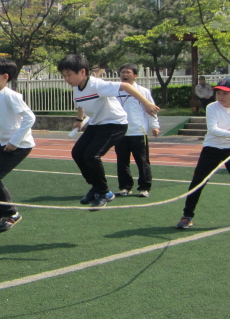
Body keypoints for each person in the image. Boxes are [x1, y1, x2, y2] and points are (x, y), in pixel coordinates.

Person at [59, 54, 160, 210]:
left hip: (115, 124)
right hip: (95, 124)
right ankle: (95, 186)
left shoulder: (98, 85)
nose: (66, 78)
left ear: (83, 72)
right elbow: (80, 104)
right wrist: (79, 121)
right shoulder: (76, 89)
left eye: (69, 75)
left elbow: (126, 86)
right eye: (64, 75)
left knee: (92, 156)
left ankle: (104, 193)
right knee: (77, 153)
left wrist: (146, 104)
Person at [176, 78, 230, 230]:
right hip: (211, 149)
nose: (220, 96)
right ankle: (187, 216)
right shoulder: (212, 107)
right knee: (198, 182)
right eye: (218, 93)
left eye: (224, 93)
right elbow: (213, 129)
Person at [0, 57, 35, 235]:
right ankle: (2, 215)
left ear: (5, 76)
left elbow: (30, 118)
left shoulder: (10, 96)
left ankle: (11, 214)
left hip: (19, 145)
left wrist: (15, 141)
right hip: (5, 145)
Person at [114, 64, 161, 198]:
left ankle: (144, 187)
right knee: (122, 162)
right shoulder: (114, 91)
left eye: (128, 72)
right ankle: (125, 187)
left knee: (142, 161)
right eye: (123, 72)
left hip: (138, 132)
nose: (125, 75)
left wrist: (154, 126)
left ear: (135, 75)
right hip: (120, 132)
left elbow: (151, 109)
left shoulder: (143, 91)